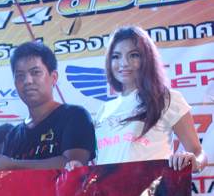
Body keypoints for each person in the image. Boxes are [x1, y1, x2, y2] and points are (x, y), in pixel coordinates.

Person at [68, 26, 206, 172]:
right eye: (116, 56)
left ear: (147, 59)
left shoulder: (167, 99)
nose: (124, 63)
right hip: (109, 187)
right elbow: (104, 161)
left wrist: (193, 161)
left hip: (152, 186)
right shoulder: (105, 109)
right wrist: (80, 170)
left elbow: (199, 153)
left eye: (133, 55)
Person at [0, 42, 96, 170]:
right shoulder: (13, 136)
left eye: (35, 72)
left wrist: (12, 164)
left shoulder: (75, 116)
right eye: (20, 75)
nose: (27, 81)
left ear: (53, 77)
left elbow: (73, 165)